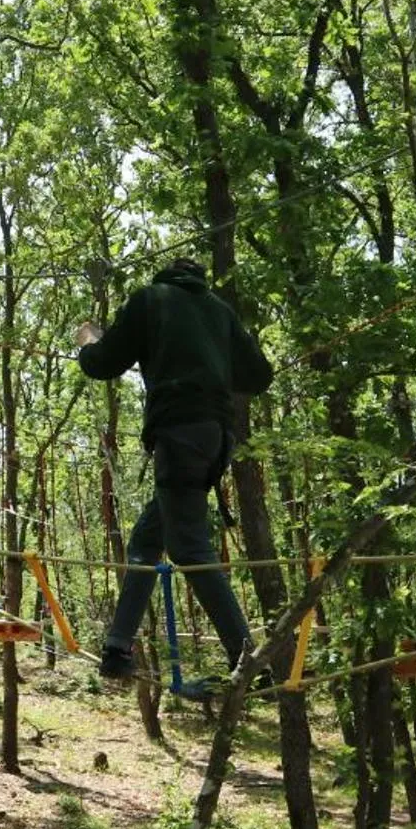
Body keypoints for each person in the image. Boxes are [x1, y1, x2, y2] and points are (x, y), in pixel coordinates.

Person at [73, 257, 273, 683]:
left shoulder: (151, 299)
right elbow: (258, 375)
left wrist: (89, 339)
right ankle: (117, 647)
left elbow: (102, 364)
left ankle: (250, 661)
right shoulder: (219, 310)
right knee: (148, 540)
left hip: (180, 434)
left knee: (190, 550)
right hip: (215, 439)